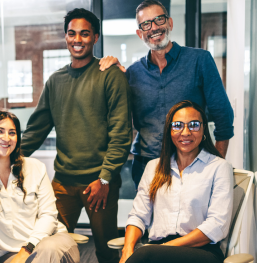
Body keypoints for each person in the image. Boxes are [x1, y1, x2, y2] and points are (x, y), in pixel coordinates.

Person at [20, 8, 132, 263]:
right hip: (62, 182)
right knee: (48, 242)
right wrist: (5, 158)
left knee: (105, 249)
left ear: (95, 37)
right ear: (66, 37)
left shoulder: (110, 76)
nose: (77, 39)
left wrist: (105, 179)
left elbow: (121, 133)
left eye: (84, 34)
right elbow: (36, 130)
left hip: (99, 182)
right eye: (72, 33)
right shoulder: (55, 81)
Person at [98, 0, 234, 189]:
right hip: (146, 166)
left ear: (169, 23)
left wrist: (218, 166)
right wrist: (113, 71)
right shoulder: (132, 73)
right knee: (149, 218)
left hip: (192, 164)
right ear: (140, 33)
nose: (153, 28)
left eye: (159, 20)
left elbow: (223, 118)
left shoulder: (199, 61)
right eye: (146, 24)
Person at [121, 100, 233, 263]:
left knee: (145, 255)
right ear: (169, 131)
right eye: (178, 125)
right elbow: (138, 216)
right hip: (156, 250)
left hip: (201, 251)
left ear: (204, 130)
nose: (186, 132)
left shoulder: (219, 167)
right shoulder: (154, 167)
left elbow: (217, 225)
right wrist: (127, 250)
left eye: (194, 125)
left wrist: (165, 247)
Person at [0, 110, 80, 263]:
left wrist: (26, 250)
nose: (6, 138)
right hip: (8, 254)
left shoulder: (35, 167)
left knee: (48, 250)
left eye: (12, 133)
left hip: (51, 242)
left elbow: (48, 215)